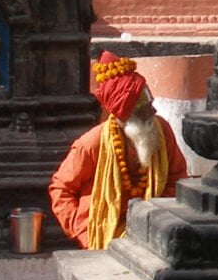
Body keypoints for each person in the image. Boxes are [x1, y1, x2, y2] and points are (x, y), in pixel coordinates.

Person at [49, 52, 189, 251]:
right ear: (128, 116)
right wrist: (83, 232)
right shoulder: (92, 144)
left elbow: (176, 177)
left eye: (151, 104)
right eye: (146, 108)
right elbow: (61, 189)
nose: (154, 111)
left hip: (152, 233)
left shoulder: (161, 130)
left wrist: (157, 219)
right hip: (102, 239)